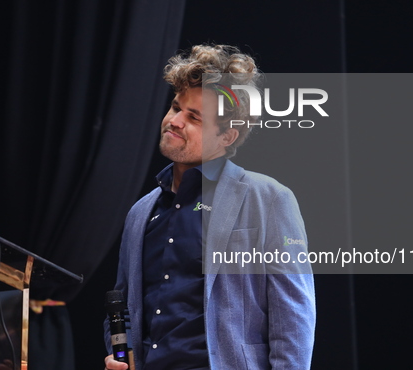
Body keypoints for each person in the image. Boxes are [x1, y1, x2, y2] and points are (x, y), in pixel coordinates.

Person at [104, 44, 315, 370]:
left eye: (194, 117)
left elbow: (293, 317)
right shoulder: (140, 213)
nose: (174, 121)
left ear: (227, 137)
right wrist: (121, 354)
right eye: (175, 108)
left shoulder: (269, 199)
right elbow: (123, 307)